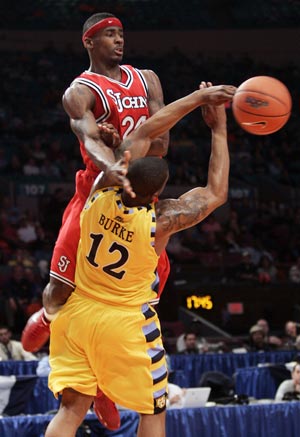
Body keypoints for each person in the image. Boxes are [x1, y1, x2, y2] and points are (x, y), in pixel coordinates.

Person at [43, 82, 236, 437]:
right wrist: (217, 126)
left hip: (77, 314)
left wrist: (195, 99)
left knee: (70, 410)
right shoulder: (158, 222)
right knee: (153, 409)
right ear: (159, 195)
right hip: (124, 322)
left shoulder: (100, 190)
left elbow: (147, 129)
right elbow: (215, 192)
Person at [21, 12, 169, 430]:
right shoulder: (81, 90)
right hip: (95, 197)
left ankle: (103, 388)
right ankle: (50, 321)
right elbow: (86, 136)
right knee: (58, 290)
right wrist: (113, 163)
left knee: (143, 298)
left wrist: (123, 147)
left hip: (141, 199)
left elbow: (161, 142)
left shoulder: (148, 79)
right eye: (109, 34)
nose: (119, 40)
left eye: (122, 33)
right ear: (89, 41)